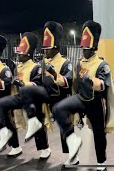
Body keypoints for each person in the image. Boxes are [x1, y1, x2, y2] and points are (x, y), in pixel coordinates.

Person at [52, 20, 114, 170]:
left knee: (98, 133)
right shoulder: (79, 63)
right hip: (81, 99)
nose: (84, 51)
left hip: (95, 101)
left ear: (94, 48)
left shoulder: (102, 64)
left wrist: (90, 80)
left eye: (87, 49)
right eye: (83, 48)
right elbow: (74, 84)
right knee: (58, 110)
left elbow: (102, 85)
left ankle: (101, 162)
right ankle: (73, 153)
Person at [0, 32, 51, 158]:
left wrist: (23, 83)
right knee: (2, 108)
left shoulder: (36, 67)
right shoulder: (17, 67)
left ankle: (44, 148)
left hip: (33, 99)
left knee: (36, 122)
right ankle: (15, 146)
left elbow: (37, 85)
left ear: (28, 54)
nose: (18, 55)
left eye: (20, 53)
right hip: (19, 97)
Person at [18, 21, 73, 159]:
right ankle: (44, 148)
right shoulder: (43, 63)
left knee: (64, 128)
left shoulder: (66, 63)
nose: (45, 51)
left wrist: (54, 74)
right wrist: (26, 84)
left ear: (56, 48)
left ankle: (72, 156)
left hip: (61, 99)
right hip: (46, 98)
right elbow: (38, 81)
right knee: (36, 117)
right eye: (44, 48)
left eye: (48, 48)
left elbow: (68, 82)